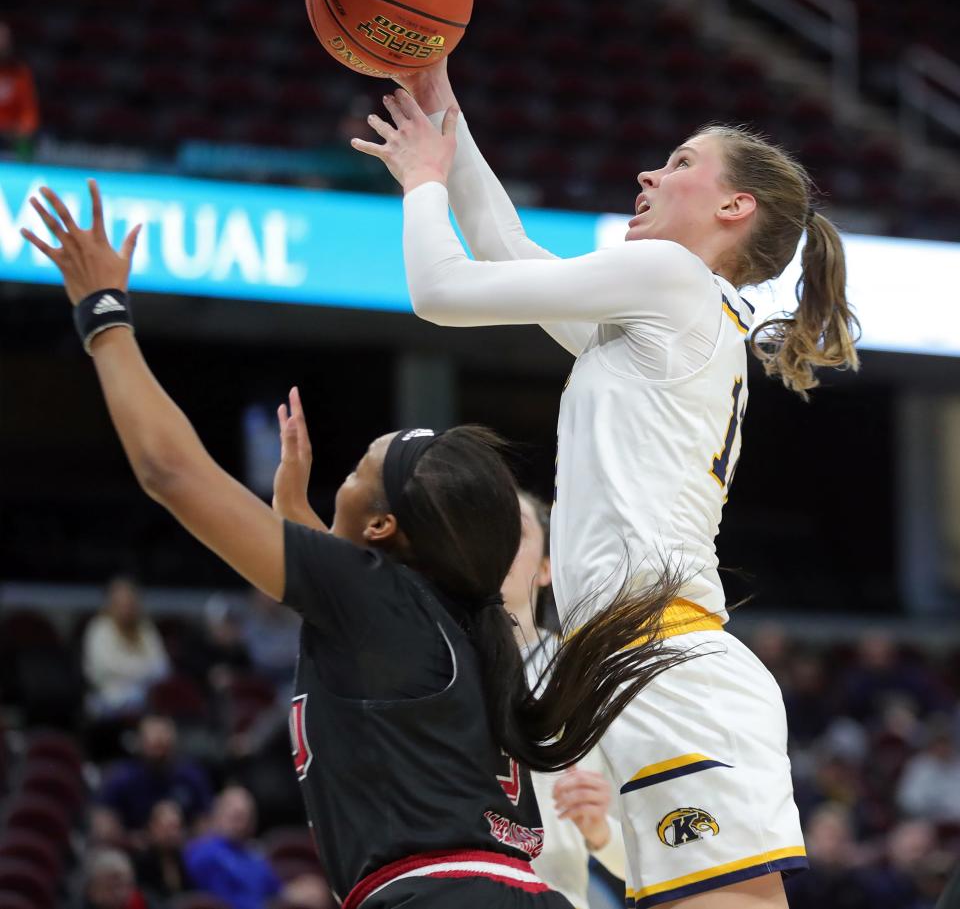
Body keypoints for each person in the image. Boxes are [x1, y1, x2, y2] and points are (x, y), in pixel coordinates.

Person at [23, 182, 693, 908]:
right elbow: (357, 619)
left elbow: (170, 471)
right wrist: (294, 512)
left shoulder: (381, 600)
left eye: (356, 469)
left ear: (382, 531)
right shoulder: (460, 625)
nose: (342, 476)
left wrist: (103, 314)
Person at [351, 58, 861, 908]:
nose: (649, 172)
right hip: (627, 663)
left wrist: (420, 182)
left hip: (660, 656)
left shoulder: (672, 282)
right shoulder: (665, 310)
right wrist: (446, 109)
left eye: (682, 162)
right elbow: (509, 251)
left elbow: (440, 290)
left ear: (736, 207)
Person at [503, 490, 626, 909]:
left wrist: (599, 831)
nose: (496, 538)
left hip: (554, 895)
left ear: (545, 569)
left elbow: (644, 856)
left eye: (514, 530)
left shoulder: (584, 676)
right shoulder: (433, 665)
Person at [97, 714, 213, 830]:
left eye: (163, 746)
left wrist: (180, 838)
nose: (159, 753)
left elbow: (205, 822)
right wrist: (143, 840)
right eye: (154, 746)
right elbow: (104, 825)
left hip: (185, 844)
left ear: (174, 743)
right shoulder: (121, 778)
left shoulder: (191, 775)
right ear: (140, 743)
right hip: (132, 844)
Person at [83, 576, 171, 719]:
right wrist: (144, 670)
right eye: (120, 603)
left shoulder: (144, 628)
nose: (126, 608)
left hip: (146, 698)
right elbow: (105, 669)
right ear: (110, 603)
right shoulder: (99, 628)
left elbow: (163, 667)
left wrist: (132, 672)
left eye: (129, 602)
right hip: (109, 700)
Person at [184, 785, 283, 909]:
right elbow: (223, 902)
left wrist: (295, 894)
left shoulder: (254, 854)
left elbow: (277, 891)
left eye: (248, 817)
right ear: (218, 814)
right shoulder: (203, 853)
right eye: (237, 816)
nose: (243, 824)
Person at [133, 799, 190, 903]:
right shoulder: (140, 863)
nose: (172, 834)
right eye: (166, 828)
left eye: (176, 828)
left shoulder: (183, 860)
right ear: (152, 827)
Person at [0, 22, 39, 157]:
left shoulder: (20, 73)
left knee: (25, 145)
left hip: (11, 135)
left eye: (4, 40)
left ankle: (22, 174)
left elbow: (28, 111)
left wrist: (24, 129)